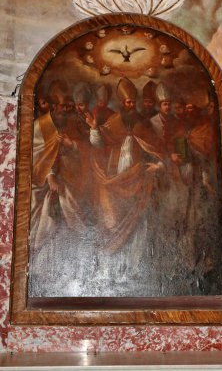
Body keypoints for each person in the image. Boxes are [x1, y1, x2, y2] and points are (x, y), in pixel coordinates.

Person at [85, 77, 166, 296]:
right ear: (122, 103)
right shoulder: (113, 122)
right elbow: (99, 142)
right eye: (127, 102)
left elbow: (156, 148)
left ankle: (133, 270)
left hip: (138, 180)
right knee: (111, 223)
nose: (130, 105)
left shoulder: (143, 123)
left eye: (133, 102)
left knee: (138, 223)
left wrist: (158, 164)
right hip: (115, 180)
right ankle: (110, 273)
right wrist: (94, 129)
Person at [29, 80, 91, 296]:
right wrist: (50, 176)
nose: (68, 109)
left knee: (69, 225)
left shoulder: (75, 123)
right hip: (47, 186)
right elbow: (35, 156)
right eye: (64, 106)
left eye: (70, 105)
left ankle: (70, 275)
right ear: (54, 106)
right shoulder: (41, 126)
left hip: (73, 182)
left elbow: (89, 149)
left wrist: (71, 145)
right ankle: (42, 274)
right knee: (47, 224)